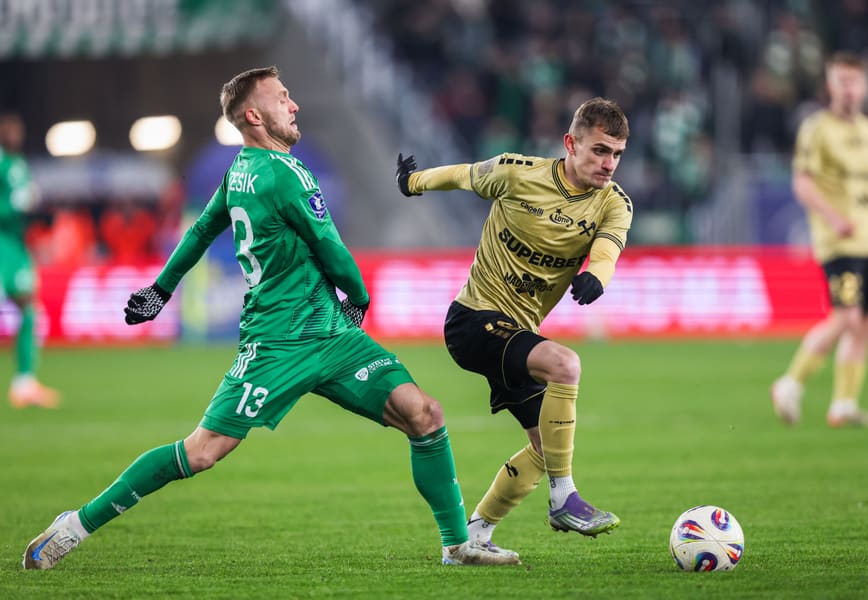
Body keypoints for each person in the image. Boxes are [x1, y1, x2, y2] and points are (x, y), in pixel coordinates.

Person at [22, 66, 520, 570]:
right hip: (278, 341)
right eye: (283, 98)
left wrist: (161, 289)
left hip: (329, 333)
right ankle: (75, 525)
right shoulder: (285, 173)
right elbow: (331, 247)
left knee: (423, 413)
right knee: (201, 452)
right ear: (255, 115)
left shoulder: (240, 171)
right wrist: (360, 295)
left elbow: (199, 232)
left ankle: (458, 545)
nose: (294, 105)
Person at [395, 97, 633, 556]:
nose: (609, 164)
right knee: (565, 363)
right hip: (473, 321)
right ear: (570, 143)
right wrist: (412, 182)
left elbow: (607, 251)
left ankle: (471, 539)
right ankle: (565, 497)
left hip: (514, 335)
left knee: (546, 446)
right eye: (600, 150)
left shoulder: (614, 204)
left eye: (617, 153)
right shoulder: (517, 172)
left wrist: (597, 276)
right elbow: (464, 175)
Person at [771, 51, 868, 428]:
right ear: (830, 85)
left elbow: (867, 187)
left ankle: (844, 404)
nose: (849, 90)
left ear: (865, 86)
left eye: (854, 82)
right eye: (841, 82)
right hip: (837, 241)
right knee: (845, 315)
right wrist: (834, 219)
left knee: (865, 322)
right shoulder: (817, 128)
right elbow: (802, 183)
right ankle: (791, 383)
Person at [0, 111, 60, 409]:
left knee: (29, 308)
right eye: (8, 129)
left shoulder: (19, 164)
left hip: (16, 245)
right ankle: (23, 382)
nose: (14, 134)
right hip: (3, 243)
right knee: (27, 305)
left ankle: (24, 382)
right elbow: (11, 205)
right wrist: (15, 208)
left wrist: (37, 214)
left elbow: (23, 203)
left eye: (17, 129)